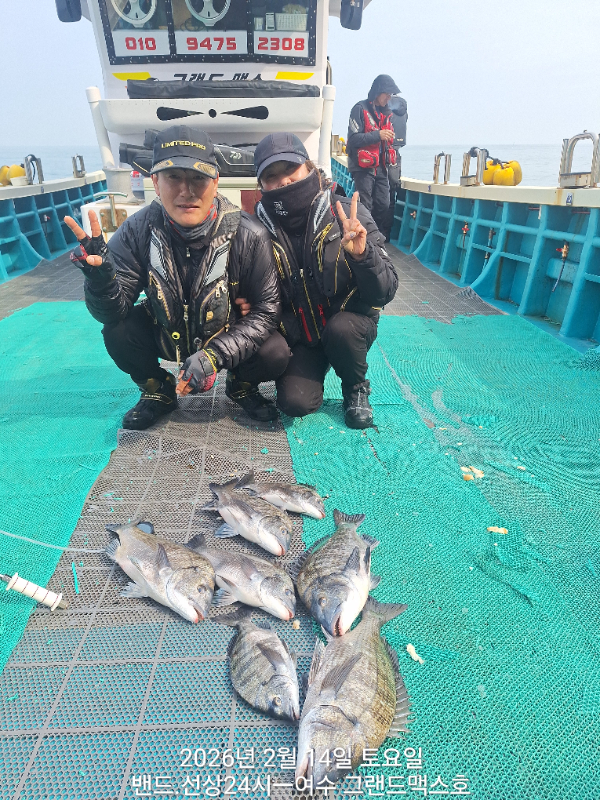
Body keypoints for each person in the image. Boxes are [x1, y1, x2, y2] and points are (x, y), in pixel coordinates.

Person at [64, 125, 285, 429]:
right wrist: (101, 280)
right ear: (155, 182)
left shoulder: (251, 234)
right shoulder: (136, 230)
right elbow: (112, 312)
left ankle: (241, 385)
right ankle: (157, 389)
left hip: (226, 335)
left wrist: (215, 355)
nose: (186, 191)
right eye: (173, 177)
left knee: (275, 350)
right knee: (117, 331)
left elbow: (267, 311)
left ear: (216, 182)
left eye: (198, 178)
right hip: (167, 335)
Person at [244, 132, 398, 429]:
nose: (283, 181)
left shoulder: (347, 213)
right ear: (261, 185)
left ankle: (355, 386)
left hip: (347, 326)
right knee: (295, 403)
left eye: (290, 168)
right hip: (301, 336)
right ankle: (308, 368)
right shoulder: (256, 228)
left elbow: (386, 290)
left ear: (309, 169)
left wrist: (362, 255)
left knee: (342, 329)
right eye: (271, 176)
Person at [347, 74, 401, 240]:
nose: (389, 98)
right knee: (366, 204)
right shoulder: (359, 109)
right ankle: (367, 239)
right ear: (378, 92)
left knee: (384, 204)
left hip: (381, 167)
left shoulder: (387, 113)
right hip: (362, 167)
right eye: (387, 94)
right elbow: (353, 139)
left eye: (391, 95)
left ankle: (374, 235)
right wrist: (378, 135)